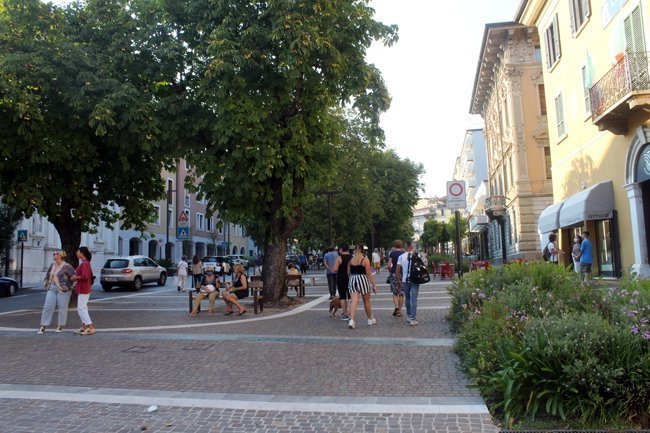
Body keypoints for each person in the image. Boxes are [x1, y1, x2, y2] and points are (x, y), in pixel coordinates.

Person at [37, 250, 76, 334]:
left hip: (63, 290)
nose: (54, 255)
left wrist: (70, 285)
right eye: (54, 254)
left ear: (61, 256)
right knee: (47, 306)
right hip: (52, 288)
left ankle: (60, 326)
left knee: (62, 307)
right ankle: (43, 325)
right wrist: (46, 283)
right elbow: (48, 275)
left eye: (56, 254)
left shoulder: (67, 266)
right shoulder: (52, 265)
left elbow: (73, 276)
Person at [347, 244, 377, 329]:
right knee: (366, 301)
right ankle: (370, 319)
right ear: (363, 250)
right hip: (362, 279)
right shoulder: (365, 259)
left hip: (353, 279)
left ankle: (352, 320)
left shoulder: (351, 260)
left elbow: (348, 272)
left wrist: (352, 279)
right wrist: (374, 284)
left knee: (354, 301)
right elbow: (368, 273)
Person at [71, 246, 95, 335]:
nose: (76, 253)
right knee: (83, 307)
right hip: (83, 287)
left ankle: (90, 327)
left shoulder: (84, 263)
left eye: (78, 251)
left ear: (82, 253)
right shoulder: (85, 263)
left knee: (81, 308)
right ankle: (85, 326)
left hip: (84, 288)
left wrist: (75, 277)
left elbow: (85, 277)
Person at [395, 241, 420, 326]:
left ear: (405, 247)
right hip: (415, 280)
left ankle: (409, 316)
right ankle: (413, 319)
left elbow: (397, 271)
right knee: (414, 299)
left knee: (407, 298)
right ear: (411, 247)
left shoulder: (401, 257)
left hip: (405, 280)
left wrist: (398, 282)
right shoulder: (416, 256)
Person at [332, 243, 352, 321]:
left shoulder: (339, 258)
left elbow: (335, 269)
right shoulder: (352, 257)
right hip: (350, 278)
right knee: (350, 296)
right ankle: (351, 313)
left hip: (341, 278)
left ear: (341, 249)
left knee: (343, 296)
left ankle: (345, 314)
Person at [387, 240, 405, 317]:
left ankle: (396, 306)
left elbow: (388, 265)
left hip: (394, 273)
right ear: (401, 245)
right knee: (401, 293)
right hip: (402, 274)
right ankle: (399, 311)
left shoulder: (392, 253)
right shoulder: (404, 253)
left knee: (395, 293)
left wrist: (391, 271)